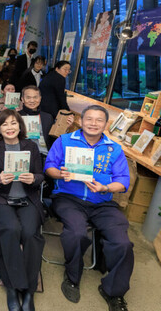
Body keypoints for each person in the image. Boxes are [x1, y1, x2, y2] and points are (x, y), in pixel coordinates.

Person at [45, 105, 133, 310]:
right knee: (76, 233)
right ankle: (72, 277)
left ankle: (113, 291)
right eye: (89, 119)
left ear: (106, 124)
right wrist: (60, 174)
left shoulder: (114, 148)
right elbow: (49, 167)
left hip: (102, 202)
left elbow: (123, 181)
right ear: (81, 121)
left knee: (123, 243)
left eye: (99, 120)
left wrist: (105, 187)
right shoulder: (65, 141)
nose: (93, 124)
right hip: (69, 198)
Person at [0, 109, 45, 311]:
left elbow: (41, 175)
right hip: (1, 199)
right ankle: (12, 286)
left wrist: (34, 179)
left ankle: (28, 291)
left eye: (13, 123)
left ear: (20, 126)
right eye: (5, 124)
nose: (10, 127)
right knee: (10, 229)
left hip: (27, 198)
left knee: (30, 233)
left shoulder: (31, 146)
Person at [19, 85, 55, 154]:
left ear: (40, 99)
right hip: (25, 155)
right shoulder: (17, 116)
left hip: (45, 155)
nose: (32, 101)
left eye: (35, 97)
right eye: (28, 97)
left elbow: (53, 140)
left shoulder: (47, 117)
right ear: (22, 99)